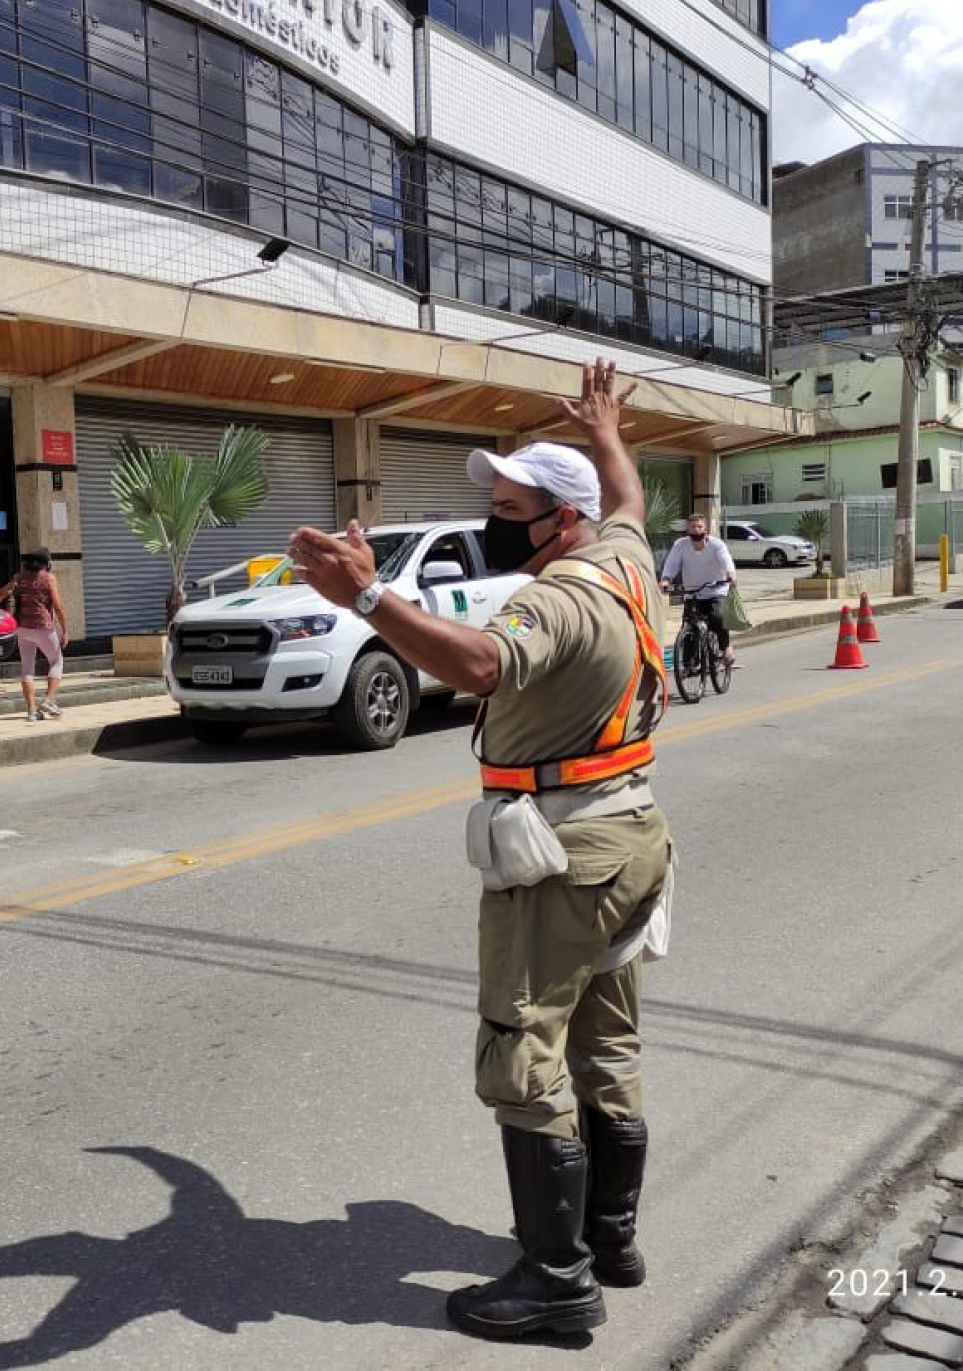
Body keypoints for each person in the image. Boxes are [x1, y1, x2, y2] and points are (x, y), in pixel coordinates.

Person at [288, 360, 675, 1341]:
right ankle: (611, 1238)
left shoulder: (553, 603)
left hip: (562, 853)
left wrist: (366, 594)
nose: (498, 520)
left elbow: (474, 664)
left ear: (561, 519)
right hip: (633, 831)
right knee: (609, 1041)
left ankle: (556, 1280)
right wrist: (606, 430)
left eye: (512, 506)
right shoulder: (627, 557)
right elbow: (626, 491)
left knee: (524, 1052)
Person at [660, 514, 738, 668]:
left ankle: (725, 648)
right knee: (688, 626)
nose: (696, 531)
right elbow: (672, 563)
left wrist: (731, 574)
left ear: (706, 529)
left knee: (717, 617)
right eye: (692, 527)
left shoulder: (717, 545)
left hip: (716, 590)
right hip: (693, 592)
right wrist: (666, 579)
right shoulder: (680, 545)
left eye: (699, 527)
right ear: (688, 530)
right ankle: (689, 664)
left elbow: (726, 560)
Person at [8, 548, 69, 722]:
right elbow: (58, 606)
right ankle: (49, 700)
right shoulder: (48, 578)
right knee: (56, 661)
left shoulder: (18, 577)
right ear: (46, 563)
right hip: (43, 627)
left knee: (27, 667)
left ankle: (31, 711)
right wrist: (65, 630)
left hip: (22, 627)